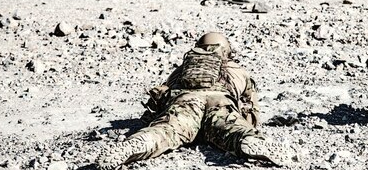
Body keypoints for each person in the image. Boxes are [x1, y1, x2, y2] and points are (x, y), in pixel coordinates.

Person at [97, 32, 295, 169]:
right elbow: (251, 111)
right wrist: (248, 125)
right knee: (233, 130)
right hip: (220, 102)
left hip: (184, 102)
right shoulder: (237, 70)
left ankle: (141, 142)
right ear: (226, 50)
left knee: (165, 131)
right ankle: (248, 141)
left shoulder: (182, 69)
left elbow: (162, 97)